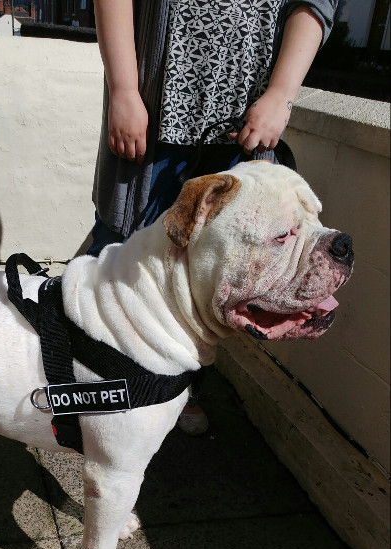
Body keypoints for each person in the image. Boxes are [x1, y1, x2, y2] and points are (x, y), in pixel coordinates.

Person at [88, 0, 338, 434]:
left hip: (245, 122)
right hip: (154, 108)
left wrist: (280, 96)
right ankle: (82, 379)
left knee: (214, 279)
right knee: (117, 246)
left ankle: (173, 387)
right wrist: (125, 89)